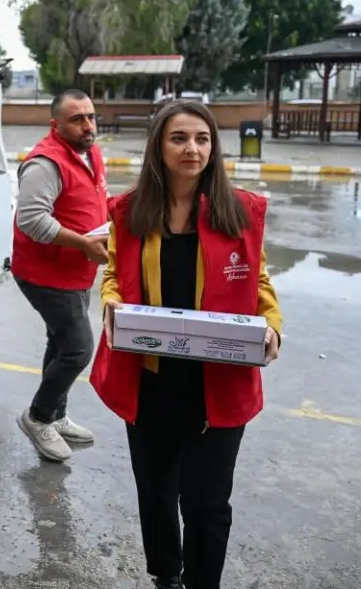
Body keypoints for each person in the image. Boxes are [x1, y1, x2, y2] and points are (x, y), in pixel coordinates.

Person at [89, 100, 283, 589]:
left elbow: (257, 281)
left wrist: (272, 325)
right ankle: (166, 577)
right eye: (179, 138)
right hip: (151, 380)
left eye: (202, 138)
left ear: (214, 147)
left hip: (214, 383)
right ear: (158, 145)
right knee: (156, 494)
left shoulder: (237, 211)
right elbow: (113, 273)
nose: (191, 148)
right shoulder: (132, 211)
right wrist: (112, 304)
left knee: (207, 502)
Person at [11, 88, 111, 462]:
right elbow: (32, 220)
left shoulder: (89, 153)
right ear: (56, 125)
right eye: (77, 119)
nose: (88, 125)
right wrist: (84, 245)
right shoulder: (45, 164)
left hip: (76, 271)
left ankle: (56, 415)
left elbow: (95, 200)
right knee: (78, 347)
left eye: (91, 116)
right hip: (45, 273)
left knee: (60, 341)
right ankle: (37, 418)